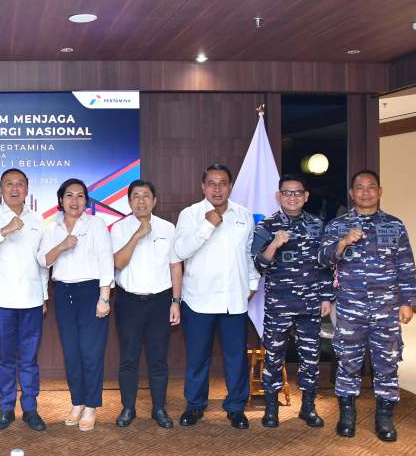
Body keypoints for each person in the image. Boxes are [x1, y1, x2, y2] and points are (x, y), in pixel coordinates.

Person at [319, 169, 416, 442]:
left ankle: (384, 418)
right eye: (360, 188)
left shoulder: (394, 225)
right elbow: (323, 260)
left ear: (380, 191)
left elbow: (405, 264)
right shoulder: (337, 225)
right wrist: (343, 242)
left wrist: (408, 301)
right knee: (348, 361)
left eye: (371, 187)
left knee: (387, 362)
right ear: (352, 193)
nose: (365, 192)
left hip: (386, 308)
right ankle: (347, 415)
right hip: (350, 307)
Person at [173, 164, 258, 430]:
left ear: (230, 186)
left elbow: (249, 253)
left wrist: (252, 282)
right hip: (199, 299)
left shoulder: (243, 214)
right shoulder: (190, 215)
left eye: (222, 183)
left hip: (234, 299)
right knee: (198, 357)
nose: (217, 188)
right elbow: (180, 251)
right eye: (211, 183)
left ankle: (236, 407)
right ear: (203, 186)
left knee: (236, 358)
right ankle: (195, 405)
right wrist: (207, 225)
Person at [0, 168, 49, 432]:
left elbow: (42, 263)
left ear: (27, 189)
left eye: (20, 184)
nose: (15, 189)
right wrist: (5, 230)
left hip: (32, 301)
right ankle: (5, 408)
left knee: (29, 359)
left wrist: (44, 295)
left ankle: (30, 409)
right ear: (0, 190)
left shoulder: (37, 219)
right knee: (5, 358)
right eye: (9, 184)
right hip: (2, 301)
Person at [252, 174, 332, 429]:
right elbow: (258, 264)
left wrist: (326, 296)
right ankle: (271, 408)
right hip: (280, 305)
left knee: (310, 357)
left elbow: (325, 265)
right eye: (287, 192)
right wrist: (274, 244)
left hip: (310, 303)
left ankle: (308, 407)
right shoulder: (267, 225)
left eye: (298, 193)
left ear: (306, 196)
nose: (292, 197)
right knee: (274, 356)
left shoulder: (317, 225)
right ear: (279, 196)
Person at [38, 178, 113, 431]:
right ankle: (77, 402)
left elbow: (106, 260)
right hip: (63, 293)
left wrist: (104, 297)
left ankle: (91, 406)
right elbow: (44, 261)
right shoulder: (52, 228)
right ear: (61, 200)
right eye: (69, 195)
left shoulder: (96, 224)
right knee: (71, 354)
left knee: (91, 353)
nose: (74, 201)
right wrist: (62, 245)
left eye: (80, 196)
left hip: (91, 292)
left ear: (86, 201)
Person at [110, 179, 182, 429]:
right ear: (129, 201)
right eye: (136, 196)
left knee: (158, 358)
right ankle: (128, 408)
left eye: (146, 196)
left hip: (160, 301)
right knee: (128, 359)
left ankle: (159, 408)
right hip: (128, 301)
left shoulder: (168, 228)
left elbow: (175, 267)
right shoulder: (119, 228)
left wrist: (176, 301)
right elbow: (118, 263)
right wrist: (137, 236)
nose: (141, 201)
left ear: (154, 200)